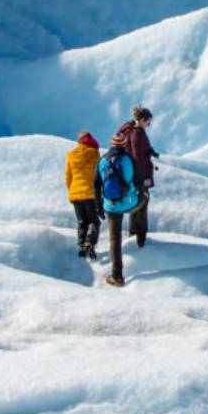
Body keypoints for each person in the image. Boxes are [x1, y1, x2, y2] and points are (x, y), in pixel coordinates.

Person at [98, 137, 144, 287]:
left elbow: (95, 184)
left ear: (111, 145)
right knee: (144, 201)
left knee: (114, 239)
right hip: (130, 203)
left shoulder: (103, 161)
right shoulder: (129, 160)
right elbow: (139, 181)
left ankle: (117, 276)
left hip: (111, 206)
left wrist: (99, 206)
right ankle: (140, 238)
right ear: (125, 145)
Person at [113, 107, 162, 248]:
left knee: (135, 201)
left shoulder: (127, 130)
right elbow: (138, 157)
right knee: (143, 202)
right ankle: (141, 238)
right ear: (141, 120)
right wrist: (146, 176)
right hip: (139, 175)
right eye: (148, 122)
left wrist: (149, 151)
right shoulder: (138, 135)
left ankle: (133, 233)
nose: (149, 125)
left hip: (128, 174)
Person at [65, 131, 102, 260]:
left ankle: (81, 246)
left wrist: (73, 191)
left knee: (82, 222)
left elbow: (68, 177)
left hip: (75, 195)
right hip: (90, 194)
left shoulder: (72, 155)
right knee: (94, 221)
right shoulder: (95, 154)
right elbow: (99, 175)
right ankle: (90, 244)